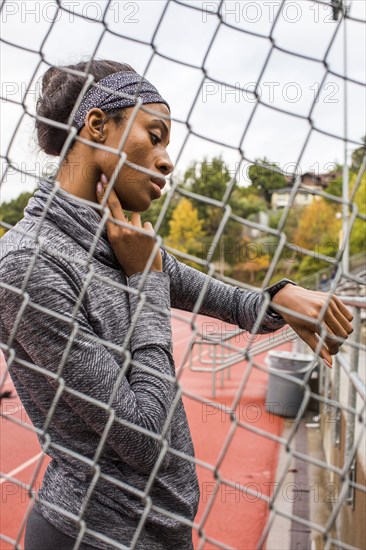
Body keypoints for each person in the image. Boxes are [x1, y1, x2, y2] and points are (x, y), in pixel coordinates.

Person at [0, 60, 354, 550]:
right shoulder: (29, 264)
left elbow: (209, 291)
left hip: (159, 529)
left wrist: (276, 298)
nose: (167, 161)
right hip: (92, 535)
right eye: (156, 134)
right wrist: (146, 281)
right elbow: (144, 436)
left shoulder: (115, 235)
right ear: (97, 125)